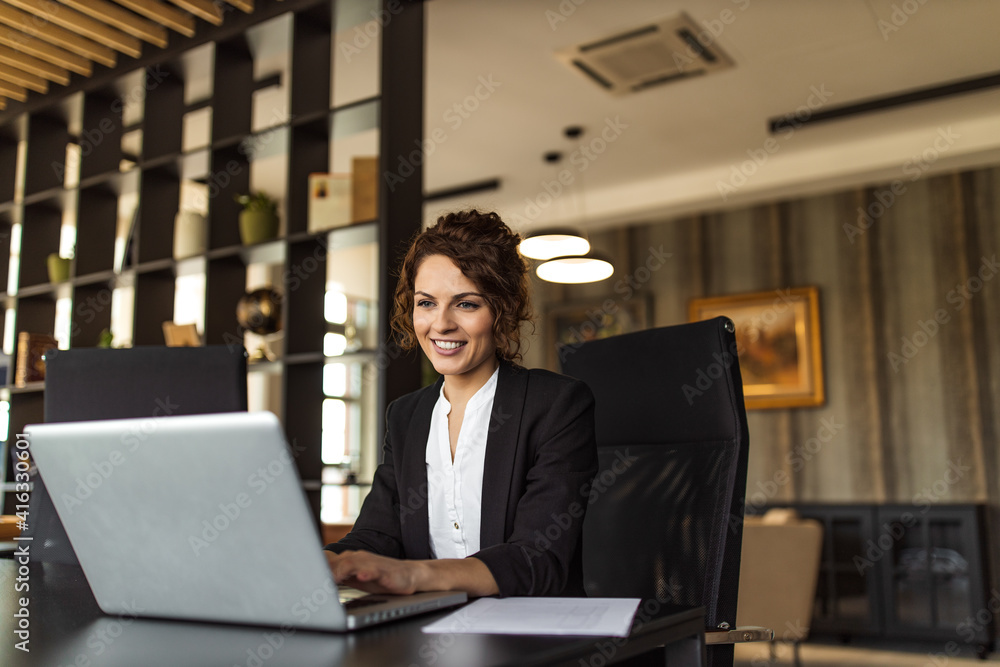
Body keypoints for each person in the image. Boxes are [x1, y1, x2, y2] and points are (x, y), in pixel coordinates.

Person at [324, 209, 598, 598]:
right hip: (428, 630)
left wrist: (417, 576)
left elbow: (539, 559)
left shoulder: (555, 405)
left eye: (466, 304)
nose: (441, 324)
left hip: (531, 636)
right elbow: (378, 535)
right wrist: (319, 561)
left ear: (501, 312)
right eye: (426, 303)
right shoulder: (406, 417)